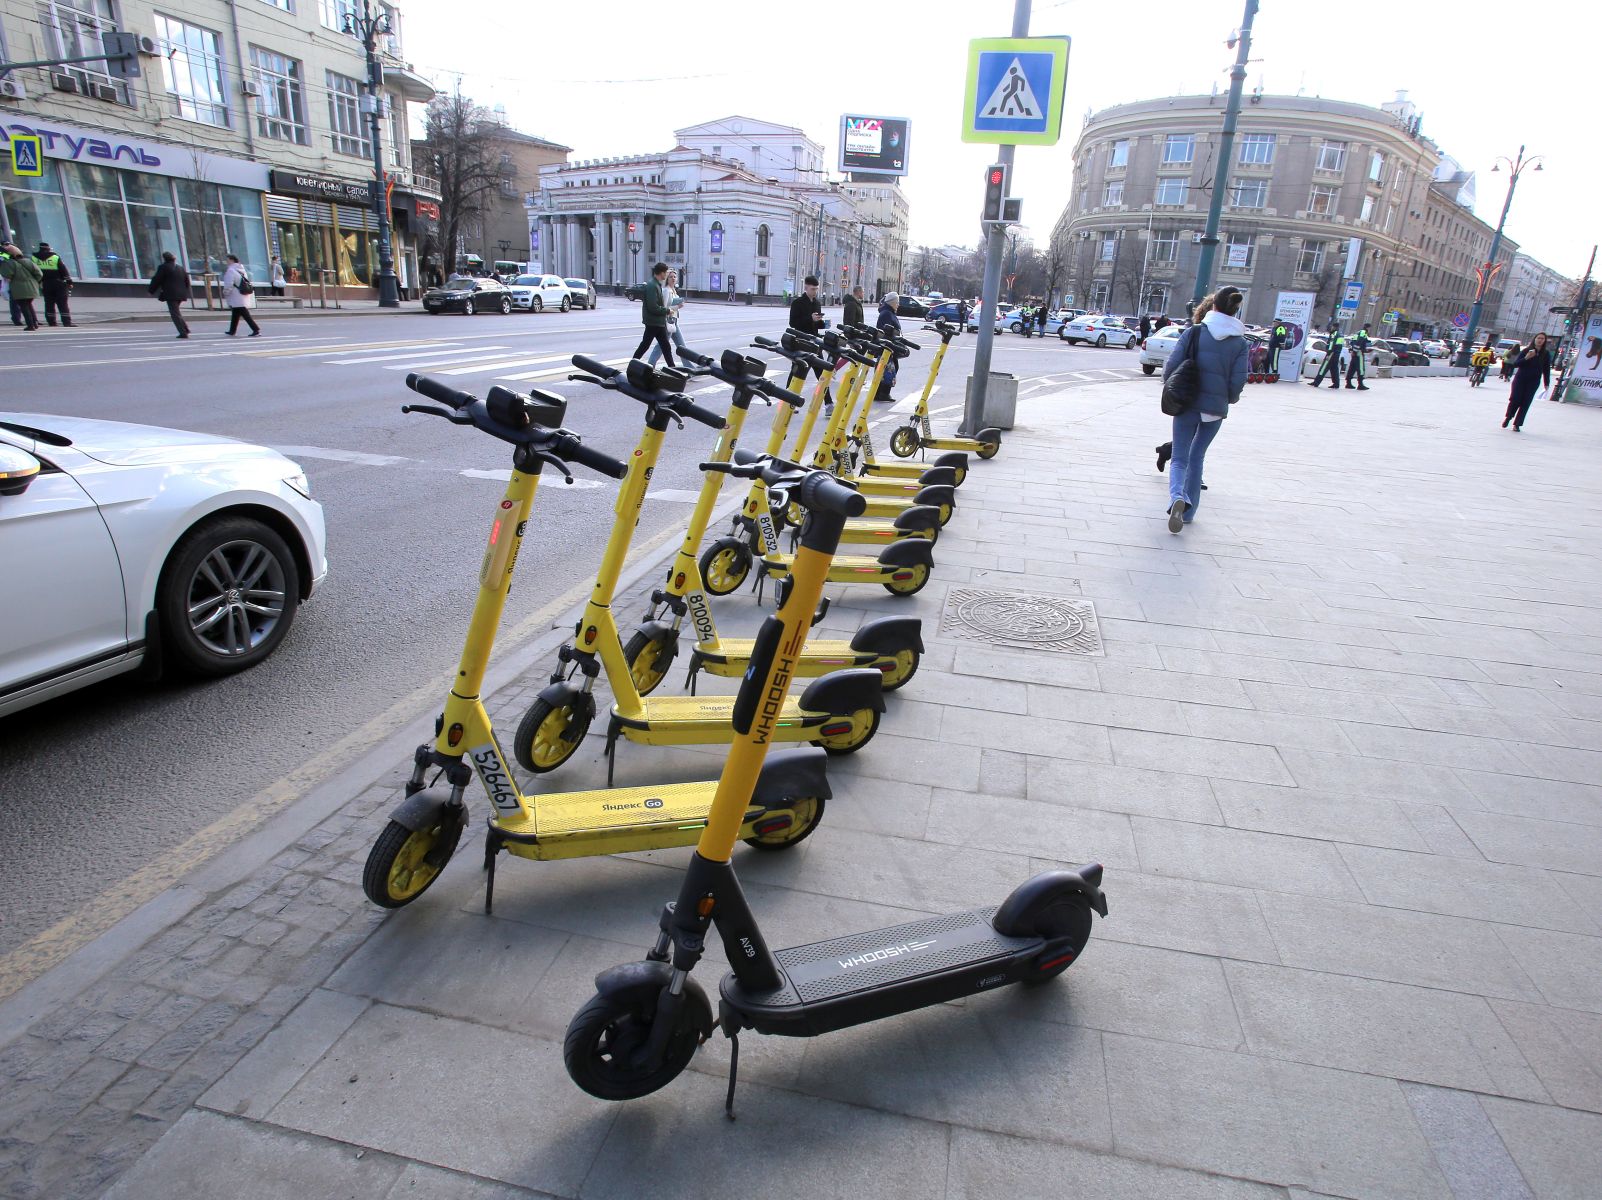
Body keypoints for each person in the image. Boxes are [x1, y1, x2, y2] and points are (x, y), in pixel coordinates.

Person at [1162, 286, 1248, 533]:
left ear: (1213, 306)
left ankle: (1177, 496)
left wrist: (1170, 385)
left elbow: (1172, 366)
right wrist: (1228, 399)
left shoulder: (1195, 332)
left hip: (1187, 402)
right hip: (1215, 408)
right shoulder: (1240, 342)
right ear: (1235, 310)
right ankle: (1189, 513)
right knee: (1197, 456)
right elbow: (1238, 380)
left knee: (1179, 457)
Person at [1502, 332, 1552, 432]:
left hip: (1533, 381)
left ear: (1544, 341)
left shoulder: (1546, 354)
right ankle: (1509, 416)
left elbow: (1546, 369)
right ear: (1534, 339)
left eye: (1542, 339)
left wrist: (1547, 383)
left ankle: (1517, 424)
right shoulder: (1526, 350)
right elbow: (1516, 364)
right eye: (1538, 338)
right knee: (1515, 399)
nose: (1540, 340)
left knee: (1526, 402)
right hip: (1521, 379)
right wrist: (1526, 358)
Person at [631, 261, 675, 366]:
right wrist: (667, 311)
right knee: (648, 345)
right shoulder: (652, 285)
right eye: (666, 272)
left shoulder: (655, 284)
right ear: (661, 273)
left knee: (663, 346)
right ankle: (632, 364)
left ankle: (673, 368)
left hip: (656, 322)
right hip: (653, 322)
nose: (666, 275)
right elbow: (653, 307)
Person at [645, 269, 689, 365]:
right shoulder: (666, 290)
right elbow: (664, 308)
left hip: (674, 321)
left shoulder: (673, 290)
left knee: (682, 346)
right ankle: (649, 366)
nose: (673, 278)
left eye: (674, 277)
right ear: (667, 279)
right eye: (670, 277)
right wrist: (678, 306)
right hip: (667, 321)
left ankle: (689, 367)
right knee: (660, 347)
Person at [148, 251, 192, 338]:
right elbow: (187, 281)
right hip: (181, 294)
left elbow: (157, 280)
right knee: (176, 312)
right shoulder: (180, 268)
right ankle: (185, 329)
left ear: (164, 258)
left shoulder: (163, 267)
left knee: (174, 313)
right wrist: (185, 291)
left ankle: (183, 332)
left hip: (171, 294)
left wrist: (151, 291)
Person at [0, 242, 43, 330]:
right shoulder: (28, 261)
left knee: (24, 306)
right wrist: (35, 282)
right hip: (32, 287)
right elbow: (39, 274)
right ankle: (35, 323)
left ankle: (30, 325)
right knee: (29, 305)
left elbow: (7, 275)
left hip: (19, 288)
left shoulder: (9, 263)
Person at [32, 242, 73, 327]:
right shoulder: (55, 257)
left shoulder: (34, 258)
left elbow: (33, 272)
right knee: (62, 303)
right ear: (48, 249)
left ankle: (51, 322)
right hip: (58, 283)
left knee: (49, 303)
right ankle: (66, 322)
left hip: (45, 283)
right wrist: (69, 282)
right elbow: (63, 270)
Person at [219, 254, 261, 336]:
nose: (226, 262)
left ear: (232, 260)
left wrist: (225, 292)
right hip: (241, 293)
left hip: (236, 295)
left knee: (244, 314)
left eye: (227, 260)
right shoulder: (241, 269)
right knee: (236, 313)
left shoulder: (231, 270)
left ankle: (255, 329)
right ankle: (232, 330)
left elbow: (229, 284)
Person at [875, 291, 903, 401]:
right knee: (889, 368)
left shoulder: (888, 312)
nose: (898, 305)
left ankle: (878, 393)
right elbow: (885, 330)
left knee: (884, 369)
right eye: (897, 302)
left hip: (890, 345)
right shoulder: (887, 313)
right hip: (888, 346)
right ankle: (884, 393)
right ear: (892, 303)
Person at [1308, 324, 1344, 388]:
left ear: (1334, 327)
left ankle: (1316, 382)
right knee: (1334, 369)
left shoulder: (1334, 334)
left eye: (1332, 327)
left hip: (1331, 353)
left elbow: (1331, 344)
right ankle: (1336, 384)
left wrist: (1329, 353)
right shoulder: (1340, 334)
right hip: (1336, 354)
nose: (1331, 328)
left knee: (1323, 368)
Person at [1345, 325, 1371, 390]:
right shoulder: (1363, 332)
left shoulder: (1358, 332)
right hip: (1358, 352)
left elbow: (1352, 342)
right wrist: (1355, 351)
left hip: (1355, 352)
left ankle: (1348, 383)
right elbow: (1360, 341)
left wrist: (1353, 350)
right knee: (1361, 368)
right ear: (1367, 328)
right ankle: (1360, 384)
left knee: (1352, 368)